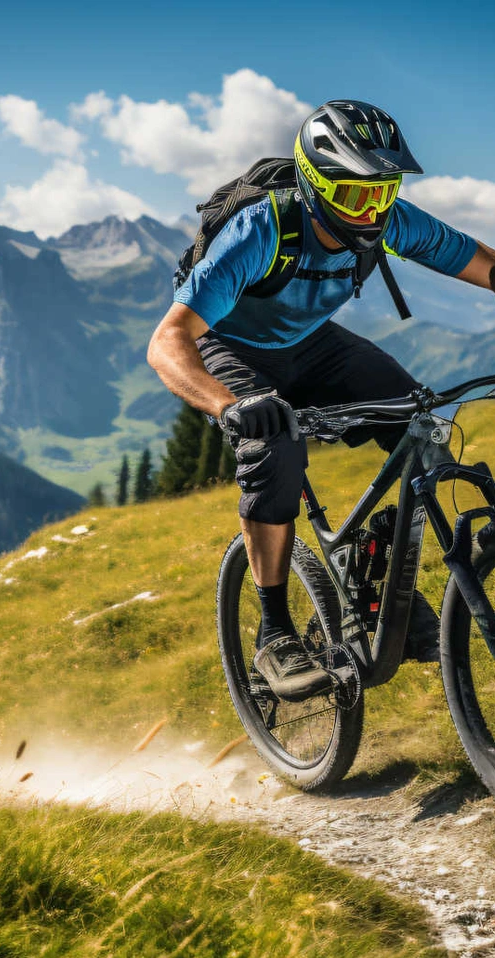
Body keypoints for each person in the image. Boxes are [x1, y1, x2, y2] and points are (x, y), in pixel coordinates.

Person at [147, 99, 495, 700]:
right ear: (315, 185)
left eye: (384, 192)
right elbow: (168, 340)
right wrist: (228, 405)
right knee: (273, 449)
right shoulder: (261, 231)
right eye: (358, 195)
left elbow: (485, 266)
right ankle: (274, 634)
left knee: (422, 423)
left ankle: (376, 579)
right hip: (230, 347)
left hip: (311, 344)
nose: (374, 211)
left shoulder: (391, 221)